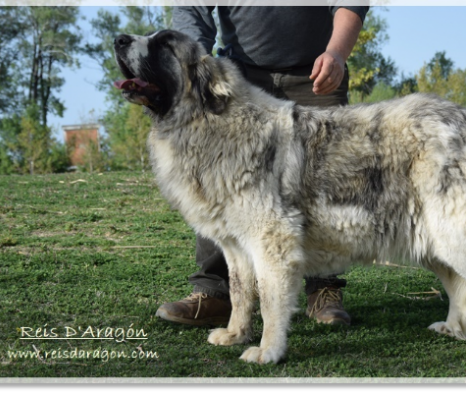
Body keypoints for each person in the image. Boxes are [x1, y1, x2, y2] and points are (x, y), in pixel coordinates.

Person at [156, 5, 369, 328]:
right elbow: (192, 9)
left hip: (318, 70)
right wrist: (192, 63)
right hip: (241, 73)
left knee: (325, 183)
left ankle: (324, 291)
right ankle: (214, 293)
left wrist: (337, 53)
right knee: (220, 183)